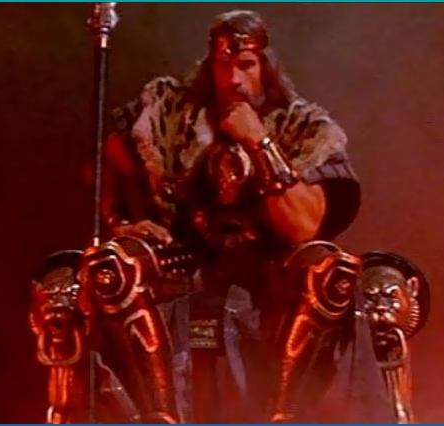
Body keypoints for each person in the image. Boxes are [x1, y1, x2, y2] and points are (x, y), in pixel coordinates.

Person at [78, 10, 367, 424]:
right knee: (113, 264)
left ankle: (286, 417)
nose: (233, 79)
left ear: (265, 67)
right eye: (223, 65)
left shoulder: (303, 127)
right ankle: (159, 417)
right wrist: (119, 223)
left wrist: (258, 141)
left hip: (271, 269)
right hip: (182, 262)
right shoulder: (167, 113)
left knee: (328, 270)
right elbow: (101, 161)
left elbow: (302, 227)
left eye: (246, 65)